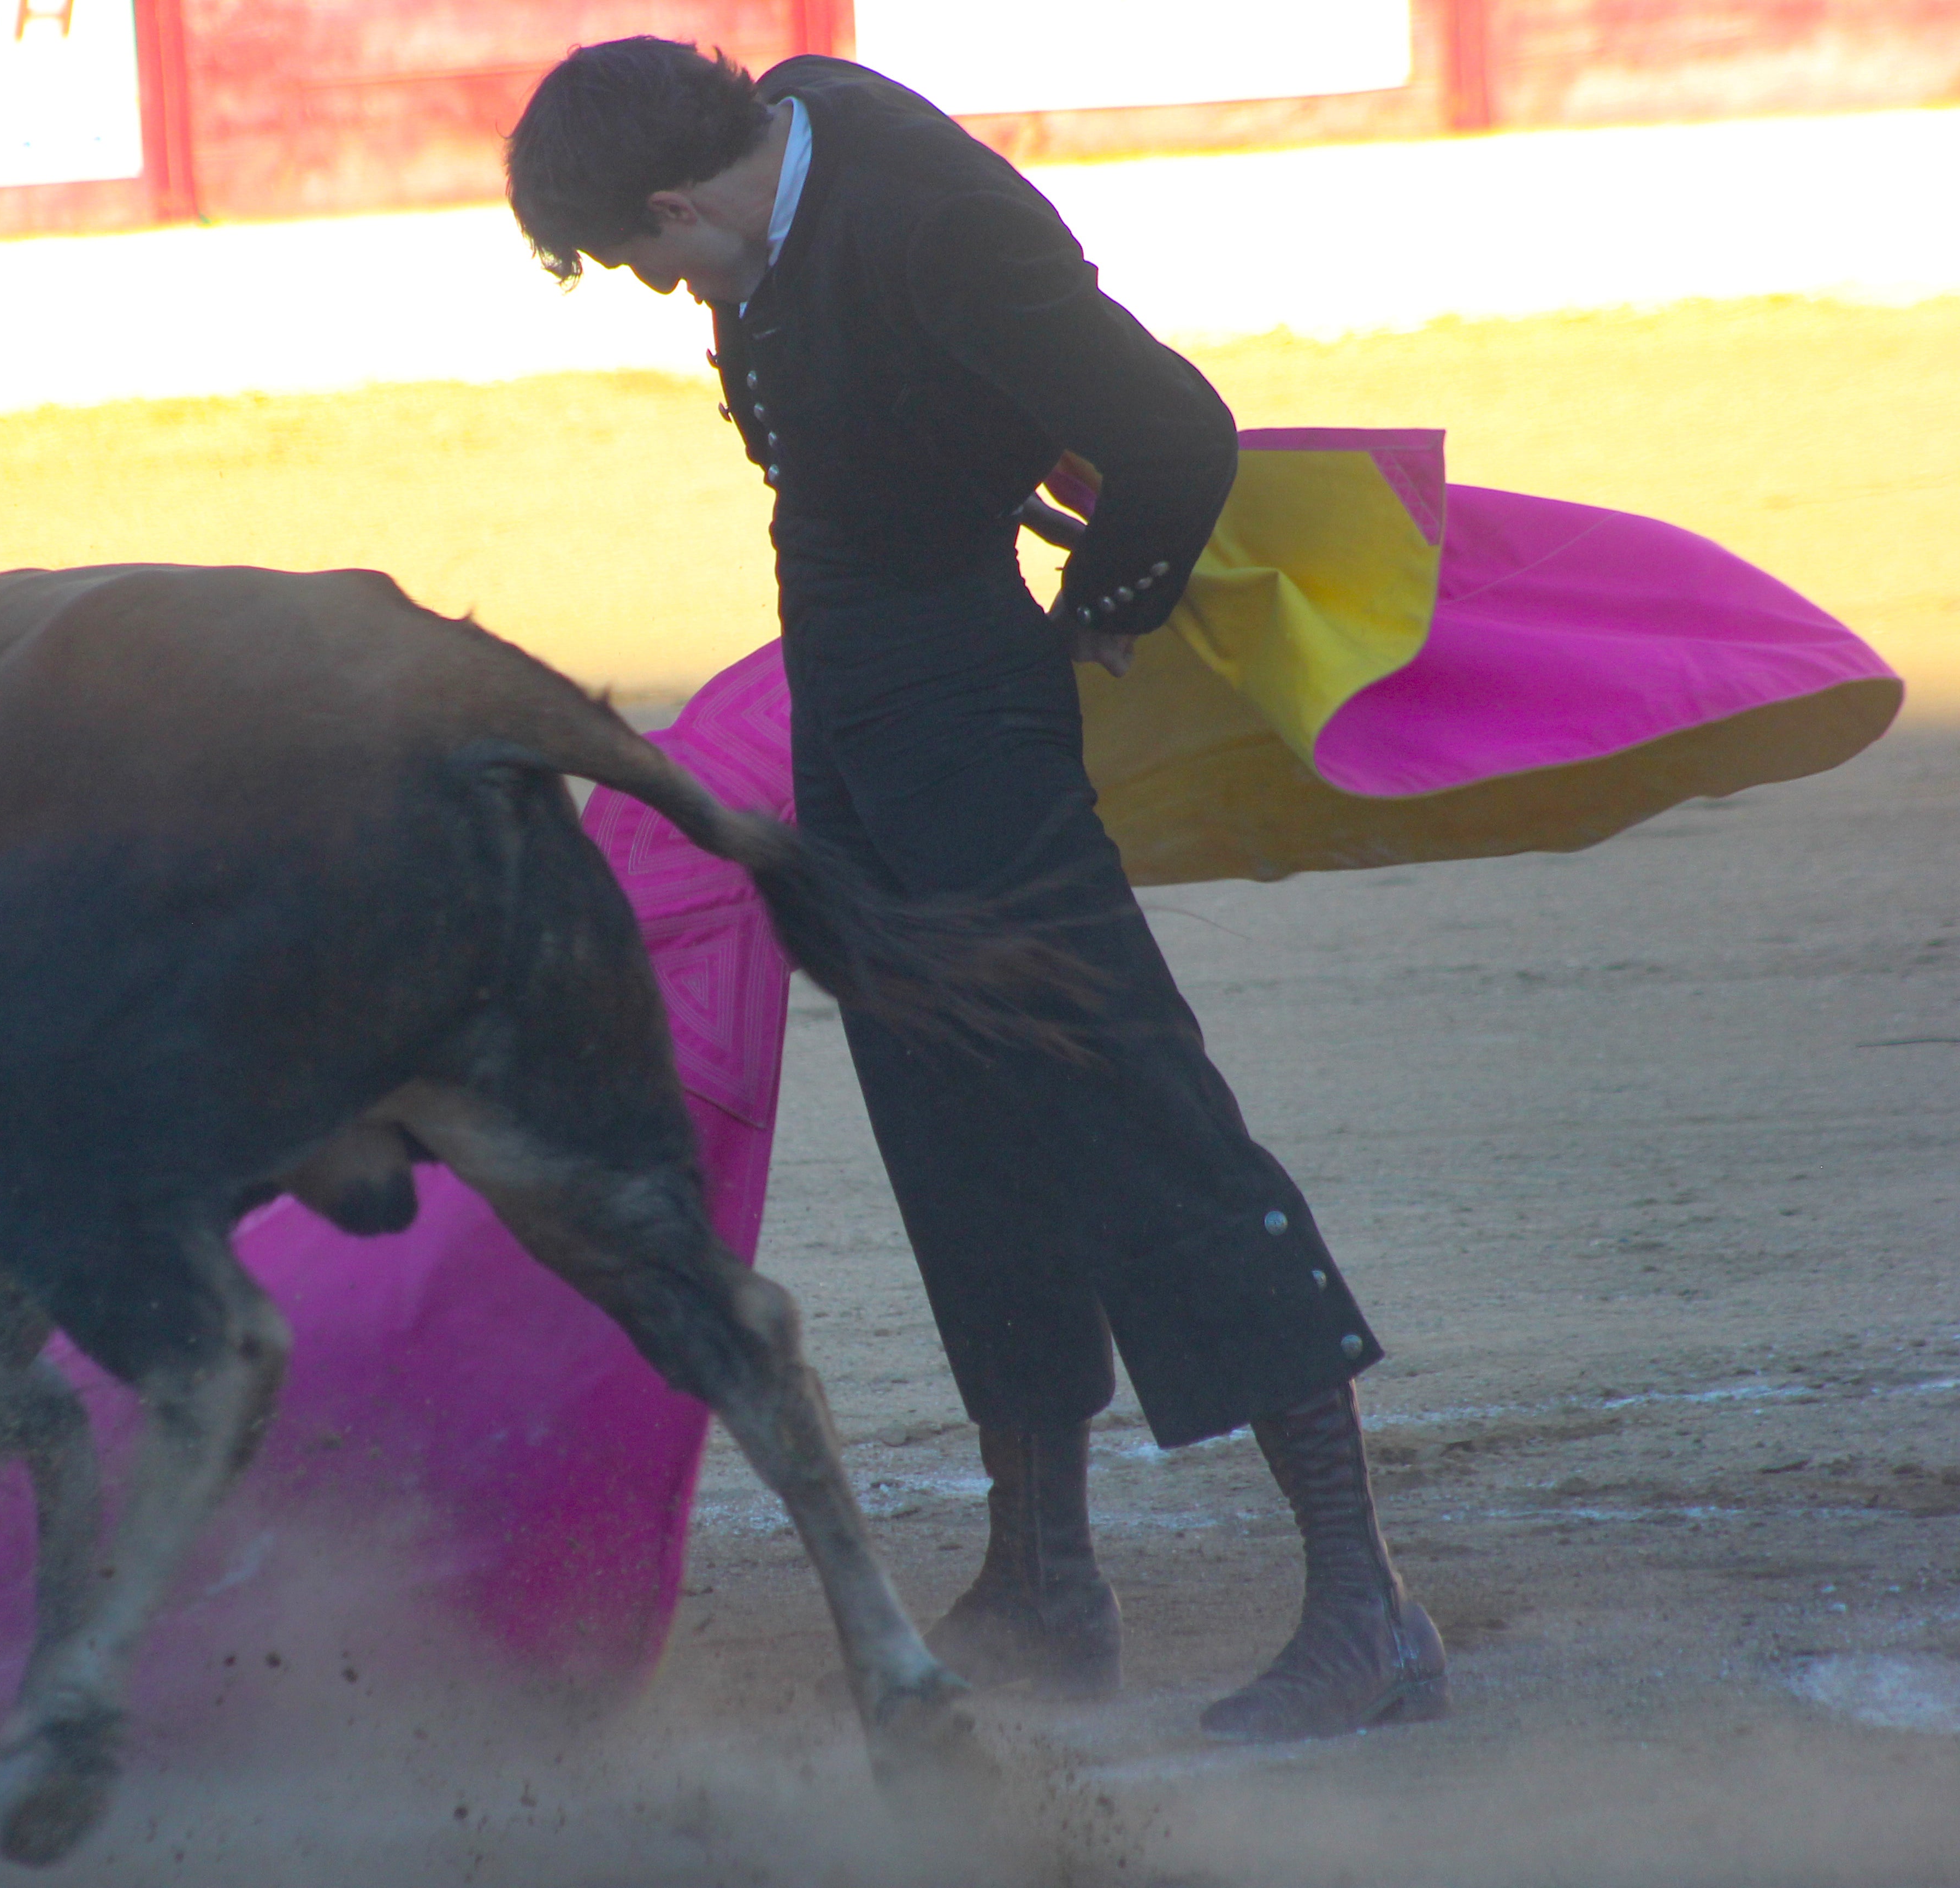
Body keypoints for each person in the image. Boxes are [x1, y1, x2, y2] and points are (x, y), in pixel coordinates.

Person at [505, 38, 1448, 1740]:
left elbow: (1170, 428)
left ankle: (1368, 1613)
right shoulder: (798, 137)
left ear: (669, 203)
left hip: (969, 719)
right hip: (855, 714)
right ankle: (1046, 1579)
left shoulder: (933, 219)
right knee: (957, 1131)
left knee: (1130, 1105)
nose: (668, 293)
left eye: (651, 263)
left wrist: (1101, 617)